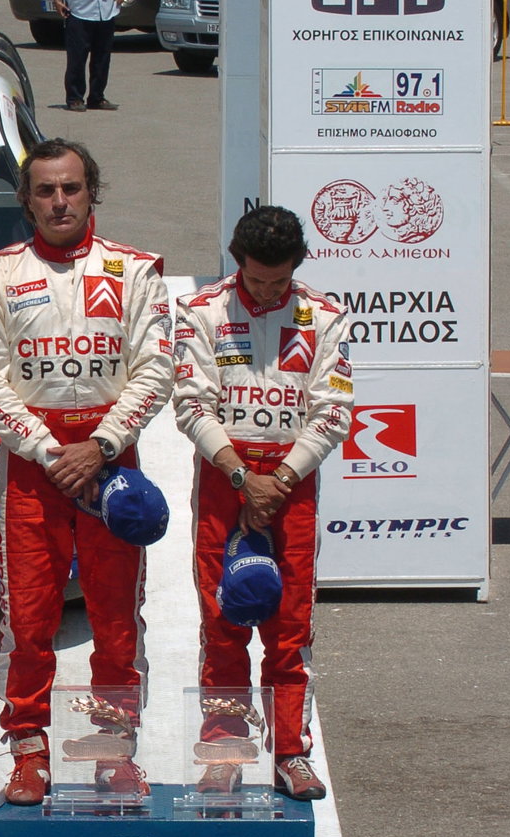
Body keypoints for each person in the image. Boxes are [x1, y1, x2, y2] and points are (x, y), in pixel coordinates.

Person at [0, 138, 173, 805]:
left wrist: (101, 445)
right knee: (29, 620)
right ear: (25, 199)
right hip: (34, 467)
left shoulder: (135, 271)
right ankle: (28, 749)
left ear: (91, 192)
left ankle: (113, 751)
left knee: (115, 621)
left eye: (71, 189)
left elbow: (157, 368)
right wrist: (51, 450)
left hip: (111, 468)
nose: (59, 202)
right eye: (45, 190)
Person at [171, 205, 353, 801]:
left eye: (278, 281)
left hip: (292, 482)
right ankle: (223, 748)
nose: (266, 291)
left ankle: (292, 754)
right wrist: (243, 476)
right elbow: (191, 403)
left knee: (290, 624)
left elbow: (334, 411)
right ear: (237, 262)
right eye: (255, 280)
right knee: (223, 623)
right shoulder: (202, 311)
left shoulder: (326, 315)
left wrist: (279, 479)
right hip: (226, 479)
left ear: (297, 266)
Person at [57, 0, 121, 111]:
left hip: (106, 13)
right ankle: (75, 98)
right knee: (77, 59)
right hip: (80, 12)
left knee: (102, 59)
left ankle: (97, 98)